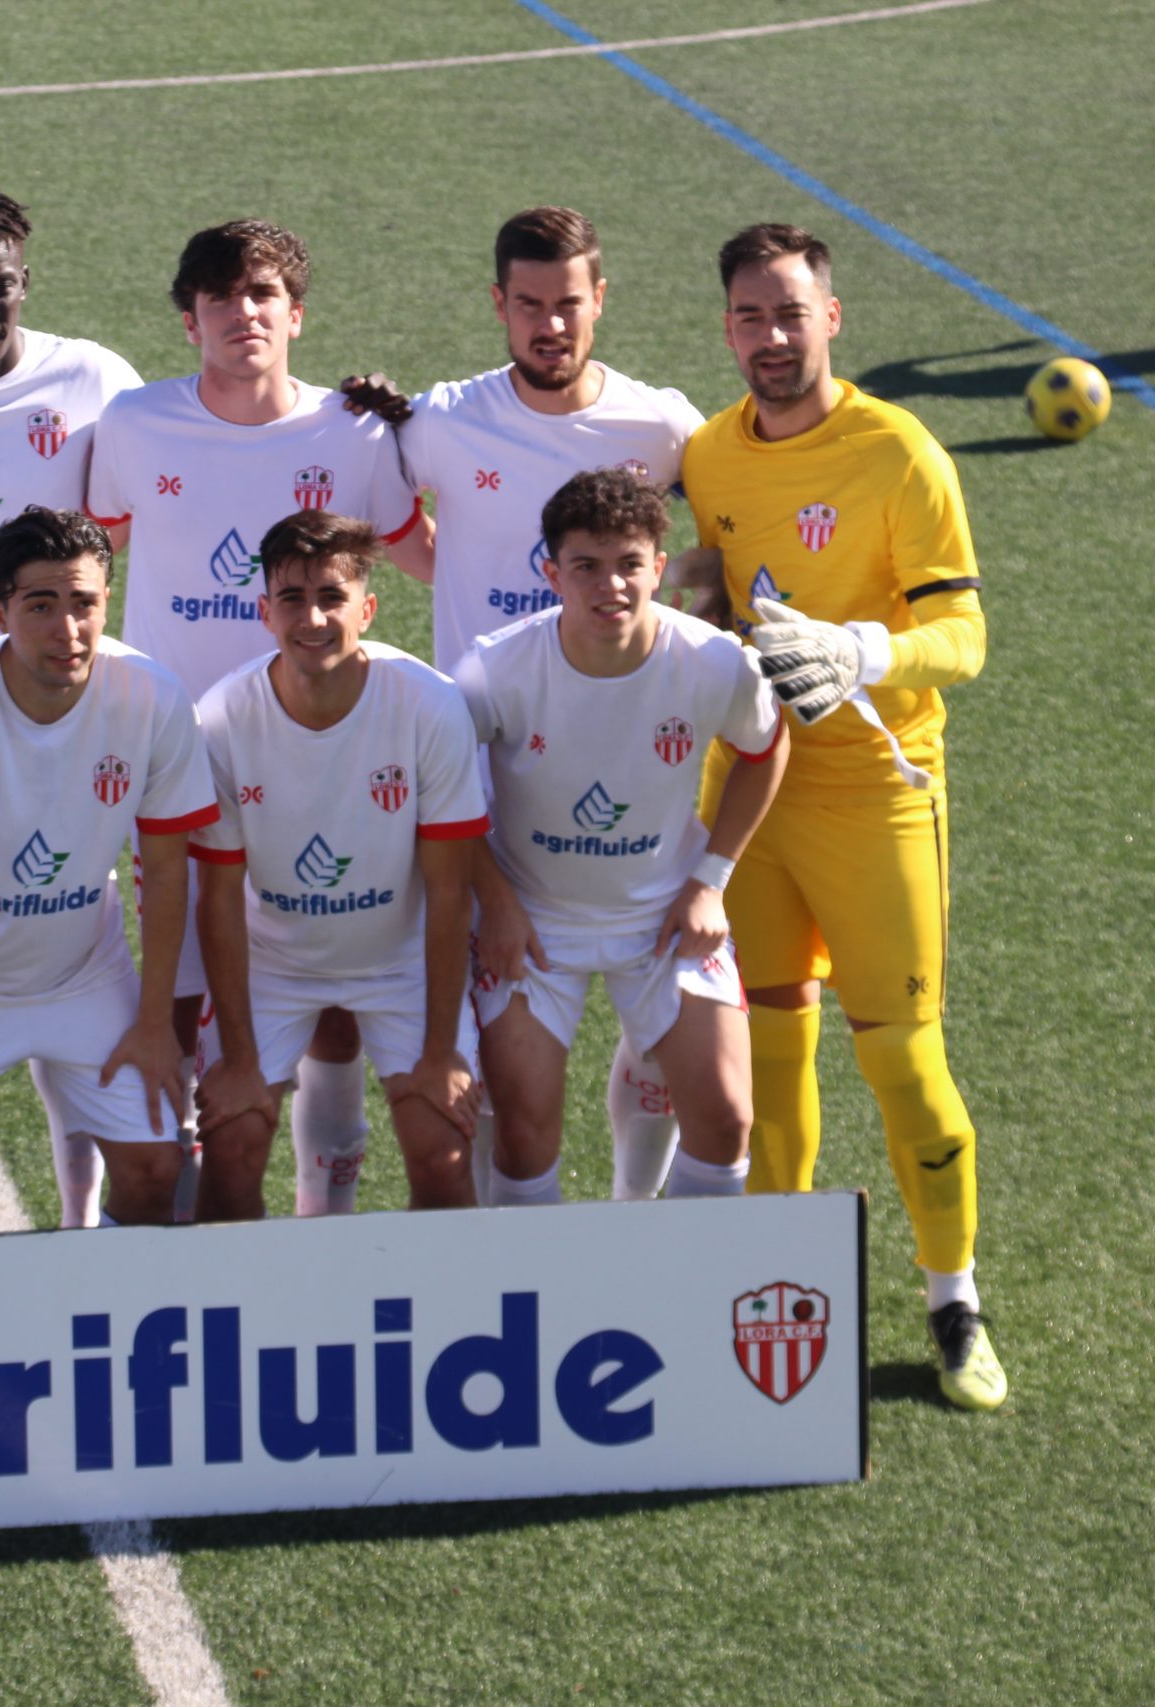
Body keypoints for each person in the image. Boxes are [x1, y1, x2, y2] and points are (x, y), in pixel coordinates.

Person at [680, 222, 1005, 1410]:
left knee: (903, 1059)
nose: (771, 337)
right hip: (750, 794)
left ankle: (953, 1300)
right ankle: (771, 1288)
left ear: (832, 317)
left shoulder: (899, 451)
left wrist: (864, 649)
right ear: (726, 329)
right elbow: (715, 584)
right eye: (750, 317)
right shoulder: (707, 455)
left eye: (790, 312)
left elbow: (963, 636)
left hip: (876, 796)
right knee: (770, 1050)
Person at [85, 219, 422, 1217]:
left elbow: (430, 552)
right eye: (221, 296)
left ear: (297, 314)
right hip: (176, 763)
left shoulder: (356, 432)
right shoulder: (133, 424)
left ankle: (325, 1221)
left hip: (323, 754)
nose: (244, 312)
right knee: (180, 993)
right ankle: (186, 1230)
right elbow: (92, 554)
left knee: (332, 1005)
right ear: (189, 319)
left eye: (263, 292)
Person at [374, 206, 709, 1206]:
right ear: (498, 305)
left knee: (658, 1023)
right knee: (495, 1048)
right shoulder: (440, 422)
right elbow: (387, 520)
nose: (550, 326)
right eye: (528, 305)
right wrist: (456, 580)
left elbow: (723, 533)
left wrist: (684, 609)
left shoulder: (661, 426)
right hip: (488, 786)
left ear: (600, 299)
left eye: (568, 303)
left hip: (633, 776)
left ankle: (634, 1210)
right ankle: (505, 1245)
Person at [0, 508, 220, 1236]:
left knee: (158, 1170)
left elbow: (165, 870)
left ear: (107, 601)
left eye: (83, 603)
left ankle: (102, 1305)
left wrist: (155, 1021)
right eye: (40, 605)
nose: (67, 630)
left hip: (83, 975)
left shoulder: (154, 697)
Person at [453, 470, 786, 1213]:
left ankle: (670, 1269)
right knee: (523, 1133)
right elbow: (435, 787)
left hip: (663, 915)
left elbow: (767, 747)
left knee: (726, 1119)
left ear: (658, 568)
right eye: (587, 565)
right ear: (552, 574)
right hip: (533, 921)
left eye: (630, 563)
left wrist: (710, 880)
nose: (611, 585)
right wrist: (495, 902)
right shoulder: (493, 668)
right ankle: (529, 1282)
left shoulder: (714, 661)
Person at [188, 510, 485, 1220]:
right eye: (292, 598)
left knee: (443, 1156)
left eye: (332, 597)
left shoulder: (429, 705)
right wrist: (238, 1060)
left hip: (401, 964)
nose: (313, 618)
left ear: (368, 609)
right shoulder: (222, 718)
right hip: (273, 965)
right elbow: (219, 897)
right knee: (230, 1150)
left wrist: (440, 1052)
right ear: (264, 611)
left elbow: (449, 893)